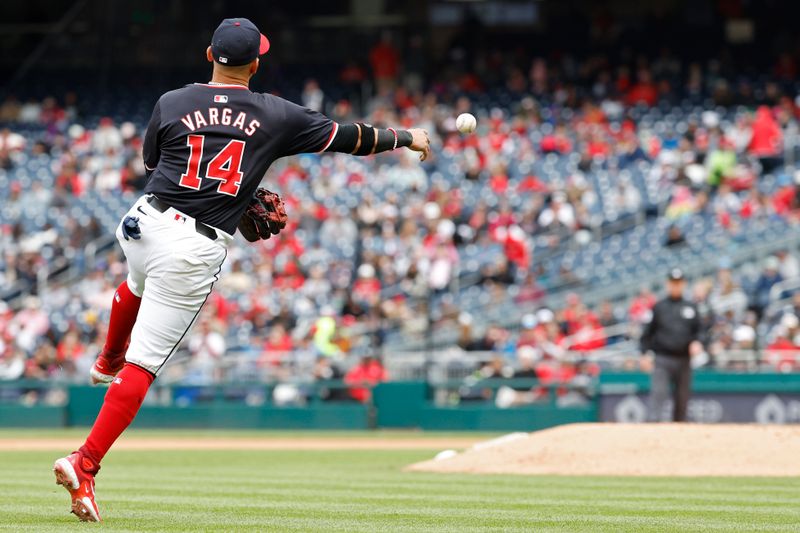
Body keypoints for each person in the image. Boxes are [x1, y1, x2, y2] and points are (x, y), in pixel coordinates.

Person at [52, 17, 431, 522]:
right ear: (256, 63)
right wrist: (406, 136)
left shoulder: (172, 101)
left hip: (142, 223)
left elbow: (154, 161)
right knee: (144, 368)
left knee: (135, 283)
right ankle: (86, 462)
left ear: (209, 54)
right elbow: (350, 137)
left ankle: (105, 360)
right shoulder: (274, 113)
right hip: (191, 246)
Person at [640, 268, 703, 422]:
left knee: (682, 398)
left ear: (683, 284)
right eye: (673, 283)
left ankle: (679, 432)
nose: (676, 286)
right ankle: (653, 432)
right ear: (667, 284)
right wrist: (645, 354)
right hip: (663, 359)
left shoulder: (691, 307)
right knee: (658, 395)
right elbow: (647, 334)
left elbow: (700, 331)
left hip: (684, 359)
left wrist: (698, 342)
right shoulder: (659, 307)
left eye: (678, 283)